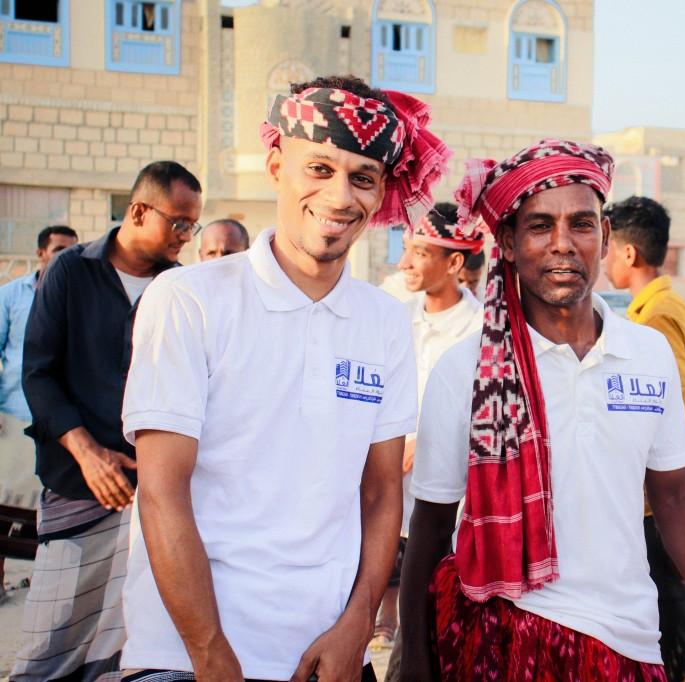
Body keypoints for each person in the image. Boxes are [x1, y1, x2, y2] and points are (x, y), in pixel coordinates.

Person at [118, 75, 450, 682]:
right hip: (186, 655)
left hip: (330, 654)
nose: (340, 196)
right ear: (276, 167)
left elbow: (380, 494)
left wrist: (358, 626)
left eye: (363, 178)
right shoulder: (188, 299)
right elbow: (163, 492)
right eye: (319, 169)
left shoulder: (384, 321)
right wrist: (210, 654)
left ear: (381, 193)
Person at [399, 139, 685, 681]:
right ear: (508, 242)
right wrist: (413, 660)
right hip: (501, 641)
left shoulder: (647, 354)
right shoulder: (466, 369)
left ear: (606, 236)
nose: (563, 244)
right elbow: (431, 525)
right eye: (540, 226)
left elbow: (674, 496)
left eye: (581, 224)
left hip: (630, 640)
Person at [12, 161, 201, 682]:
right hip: (77, 487)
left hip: (152, 494)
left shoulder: (179, 288)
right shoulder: (71, 271)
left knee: (127, 645)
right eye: (178, 223)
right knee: (51, 645)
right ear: (138, 212)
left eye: (193, 225)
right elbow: (38, 373)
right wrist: (88, 454)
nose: (186, 236)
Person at [603, 195, 685, 682]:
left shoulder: (655, 319)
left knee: (674, 639)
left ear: (628, 253)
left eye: (608, 249)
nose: (604, 262)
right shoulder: (671, 306)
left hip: (667, 505)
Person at [373, 202, 483, 656]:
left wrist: (425, 444)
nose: (404, 263)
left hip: (449, 500)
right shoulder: (394, 318)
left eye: (419, 253)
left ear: (454, 263)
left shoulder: (483, 330)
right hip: (389, 480)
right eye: (406, 250)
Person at [0, 225, 77, 589]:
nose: (66, 256)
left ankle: (39, 579)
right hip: (15, 416)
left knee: (47, 506)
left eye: (72, 249)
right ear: (41, 253)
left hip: (59, 421)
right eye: (59, 249)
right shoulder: (11, 295)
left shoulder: (77, 295)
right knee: (5, 502)